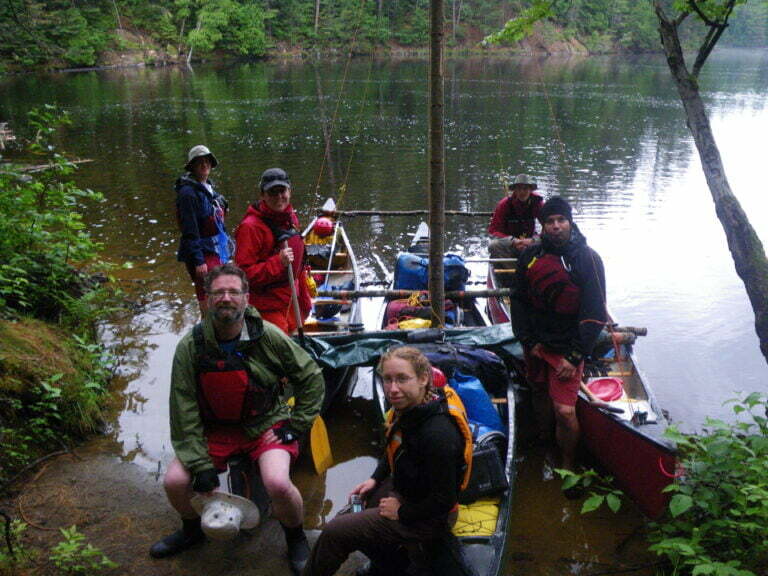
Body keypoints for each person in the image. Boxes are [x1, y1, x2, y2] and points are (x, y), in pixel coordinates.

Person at [149, 263, 324, 576]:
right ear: (207, 299)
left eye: (233, 291)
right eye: (218, 292)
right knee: (175, 482)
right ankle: (192, 530)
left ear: (246, 298)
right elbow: (183, 405)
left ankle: (296, 538)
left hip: (265, 423)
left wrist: (295, 425)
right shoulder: (191, 346)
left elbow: (311, 377)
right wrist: (199, 463)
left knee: (277, 483)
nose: (225, 298)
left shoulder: (269, 336)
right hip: (213, 429)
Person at [303, 346, 473, 576]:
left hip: (431, 516)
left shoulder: (437, 434)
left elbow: (444, 500)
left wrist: (401, 512)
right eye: (387, 379)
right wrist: (375, 479)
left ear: (424, 379)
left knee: (336, 531)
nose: (393, 389)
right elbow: (395, 447)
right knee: (358, 506)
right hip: (410, 491)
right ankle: (390, 565)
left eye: (402, 379)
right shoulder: (409, 410)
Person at [510, 197, 607, 476]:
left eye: (561, 220)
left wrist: (575, 356)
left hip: (568, 346)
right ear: (542, 227)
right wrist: (529, 341)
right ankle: (545, 442)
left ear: (570, 222)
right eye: (549, 222)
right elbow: (518, 300)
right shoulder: (530, 256)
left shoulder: (587, 258)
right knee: (539, 392)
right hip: (537, 343)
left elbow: (595, 313)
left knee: (565, 410)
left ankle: (568, 462)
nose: (555, 226)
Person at [235, 167, 311, 335]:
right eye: (272, 193)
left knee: (293, 341)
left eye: (282, 191)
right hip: (268, 306)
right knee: (278, 350)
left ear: (289, 191)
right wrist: (278, 262)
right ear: (262, 195)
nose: (279, 197)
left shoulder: (289, 216)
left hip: (291, 297)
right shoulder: (250, 227)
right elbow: (244, 275)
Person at [175, 145, 231, 316]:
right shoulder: (187, 194)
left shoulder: (208, 188)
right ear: (192, 166)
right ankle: (209, 329)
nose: (204, 164)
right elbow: (189, 229)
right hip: (201, 252)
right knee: (208, 294)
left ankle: (221, 326)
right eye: (199, 162)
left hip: (215, 247)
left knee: (223, 287)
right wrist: (199, 261)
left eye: (207, 161)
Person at [488, 174, 544, 281]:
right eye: (519, 188)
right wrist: (513, 241)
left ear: (530, 189)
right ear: (514, 190)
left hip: (530, 244)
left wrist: (533, 240)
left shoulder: (538, 203)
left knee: (549, 243)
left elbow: (547, 227)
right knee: (493, 246)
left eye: (525, 188)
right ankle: (518, 276)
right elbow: (493, 231)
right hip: (511, 243)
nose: (522, 192)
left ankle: (534, 272)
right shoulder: (504, 205)